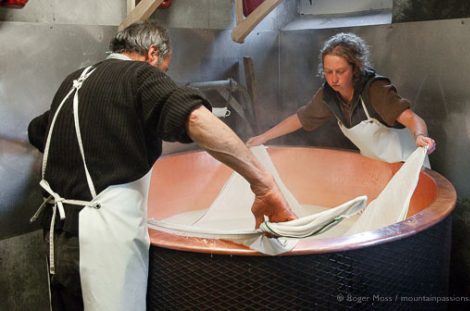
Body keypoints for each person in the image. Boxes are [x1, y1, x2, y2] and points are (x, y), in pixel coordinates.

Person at [27, 21, 296, 311]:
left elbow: (38, 131)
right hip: (103, 238)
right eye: (165, 70)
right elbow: (194, 119)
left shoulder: (74, 80)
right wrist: (263, 184)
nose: (164, 77)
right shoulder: (140, 75)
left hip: (58, 236)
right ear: (152, 53)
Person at [247, 33, 436, 166]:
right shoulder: (329, 94)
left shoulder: (375, 89)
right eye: (328, 72)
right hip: (376, 167)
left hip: (407, 165)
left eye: (340, 72)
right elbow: (300, 119)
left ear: (355, 68)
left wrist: (420, 136)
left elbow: (412, 118)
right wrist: (262, 138)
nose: (333, 79)